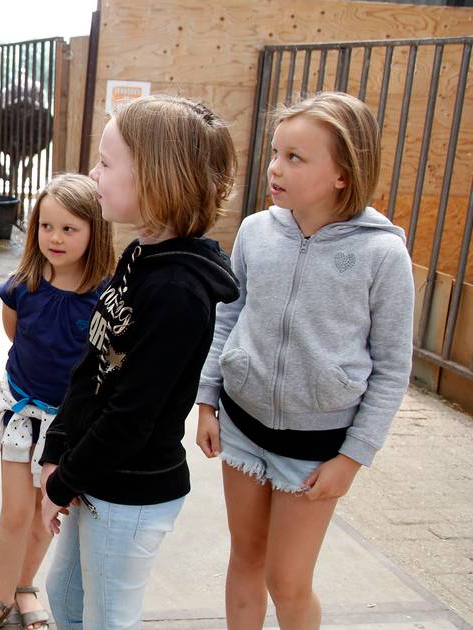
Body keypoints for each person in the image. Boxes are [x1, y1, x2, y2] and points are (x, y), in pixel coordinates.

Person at [194, 91, 414, 630]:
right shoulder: (255, 232)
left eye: (295, 157)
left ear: (343, 172)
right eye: (275, 152)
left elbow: (391, 368)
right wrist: (206, 399)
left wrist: (353, 458)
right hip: (242, 428)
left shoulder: (382, 255)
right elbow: (229, 317)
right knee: (245, 560)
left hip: (318, 451)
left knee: (287, 582)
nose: (275, 167)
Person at [37, 95, 241, 629]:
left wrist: (62, 483)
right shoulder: (139, 256)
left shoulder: (178, 291)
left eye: (106, 163)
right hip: (94, 473)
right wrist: (58, 450)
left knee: (107, 619)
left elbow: (132, 414)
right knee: (64, 599)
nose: (93, 173)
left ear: (155, 176)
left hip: (130, 489)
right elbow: (93, 365)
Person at [0, 173, 114, 630]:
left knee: (45, 512)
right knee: (14, 513)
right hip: (22, 415)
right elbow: (17, 336)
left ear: (94, 231)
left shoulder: (105, 298)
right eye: (47, 226)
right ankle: (1, 596)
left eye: (69, 228)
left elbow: (103, 365)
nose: (55, 238)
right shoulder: (22, 285)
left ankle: (26, 588)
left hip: (68, 423)